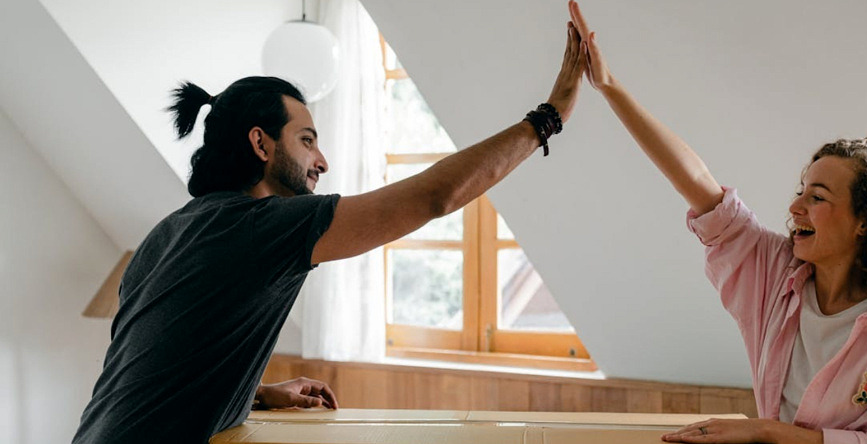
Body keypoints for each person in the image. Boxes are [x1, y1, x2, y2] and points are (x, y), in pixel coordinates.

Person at [72, 20, 588, 443]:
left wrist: (256, 390)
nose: (323, 160)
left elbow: (154, 367)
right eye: (307, 139)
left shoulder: (169, 233)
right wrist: (550, 116)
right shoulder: (263, 226)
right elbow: (437, 197)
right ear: (261, 143)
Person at [566, 2, 867, 443]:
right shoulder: (774, 272)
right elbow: (697, 182)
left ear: (866, 222)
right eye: (802, 189)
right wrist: (609, 88)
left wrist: (767, 432)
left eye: (817, 197)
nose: (796, 206)